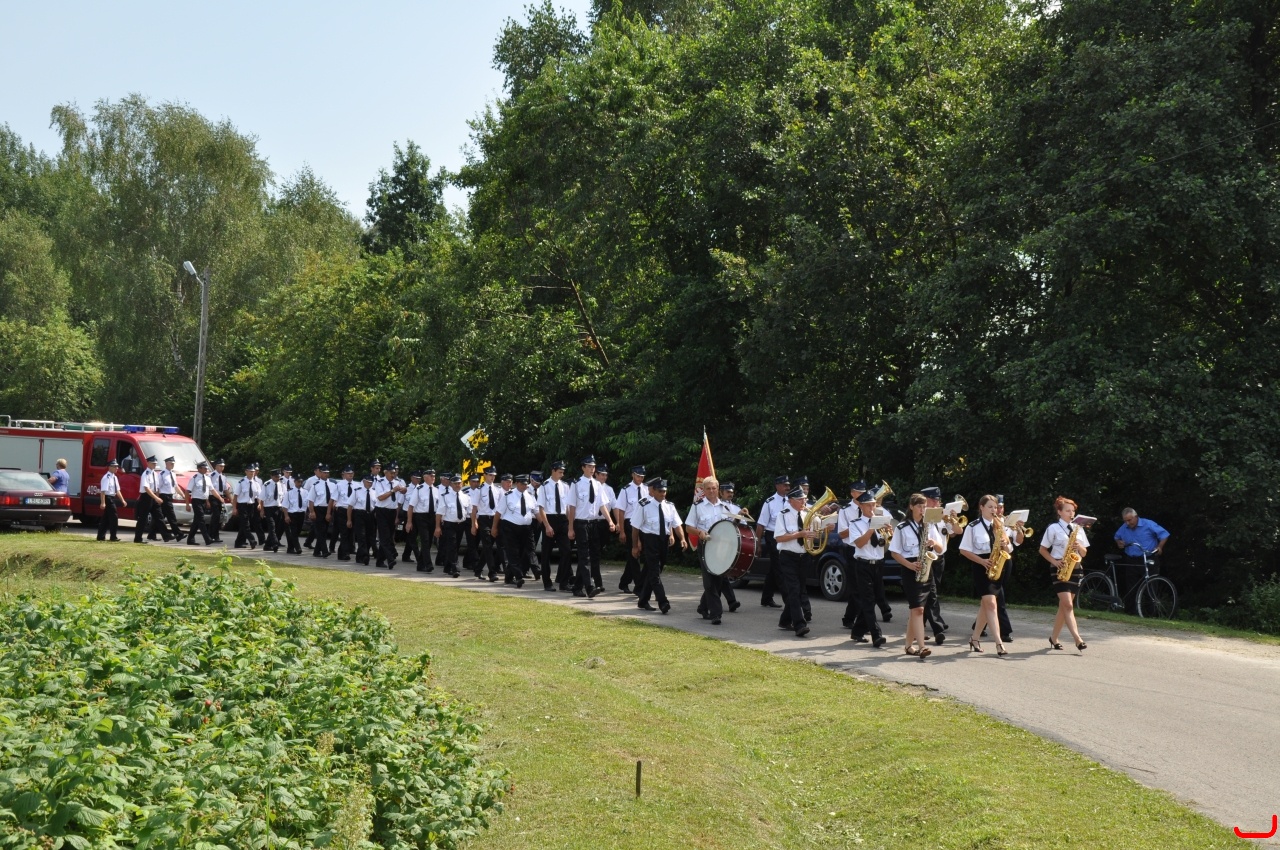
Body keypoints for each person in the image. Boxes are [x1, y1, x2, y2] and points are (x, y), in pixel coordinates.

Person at [889, 493, 945, 659]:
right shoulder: (902, 528)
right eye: (919, 506)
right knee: (918, 609)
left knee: (916, 610)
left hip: (927, 569)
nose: (922, 510)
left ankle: (908, 645)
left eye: (924, 506)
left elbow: (941, 549)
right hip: (910, 569)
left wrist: (934, 543)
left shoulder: (930, 525)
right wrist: (910, 565)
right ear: (911, 507)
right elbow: (894, 552)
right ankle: (922, 647)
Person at [684, 476, 740, 624]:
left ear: (718, 489)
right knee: (709, 581)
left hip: (722, 547)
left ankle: (703, 607)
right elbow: (688, 527)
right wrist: (699, 532)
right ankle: (716, 614)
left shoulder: (726, 507)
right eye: (708, 488)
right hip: (706, 545)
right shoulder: (698, 506)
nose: (711, 491)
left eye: (714, 488)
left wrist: (740, 516)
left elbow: (732, 526)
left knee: (718, 580)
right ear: (703, 490)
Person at [961, 495, 1012, 656]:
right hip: (981, 566)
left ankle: (975, 638)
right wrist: (982, 561)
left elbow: (1009, 549)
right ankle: (999, 643)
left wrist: (1005, 544)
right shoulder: (972, 527)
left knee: (986, 605)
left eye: (995, 507)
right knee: (991, 603)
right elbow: (964, 550)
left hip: (997, 565)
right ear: (981, 507)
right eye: (990, 507)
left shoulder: (1000, 525)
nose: (994, 510)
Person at [838, 490, 888, 648]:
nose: (872, 508)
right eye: (868, 506)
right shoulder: (855, 523)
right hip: (863, 564)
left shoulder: (880, 522)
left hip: (878, 564)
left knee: (874, 599)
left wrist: (889, 534)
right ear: (861, 506)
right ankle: (876, 635)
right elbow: (859, 543)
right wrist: (872, 528)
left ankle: (857, 631)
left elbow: (886, 545)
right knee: (868, 600)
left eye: (874, 505)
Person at [1039, 496, 1089, 652]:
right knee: (1067, 604)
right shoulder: (1053, 528)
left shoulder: (1078, 528)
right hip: (1059, 567)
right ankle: (1077, 639)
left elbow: (1084, 552)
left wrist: (1078, 546)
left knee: (1064, 606)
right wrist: (1054, 562)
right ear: (1059, 512)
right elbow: (1042, 550)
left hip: (1076, 567)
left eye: (1073, 511)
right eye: (1068, 511)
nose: (1071, 513)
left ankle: (1054, 638)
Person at [633, 478, 685, 615]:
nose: (663, 494)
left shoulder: (670, 506)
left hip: (664, 541)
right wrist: (635, 546)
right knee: (654, 572)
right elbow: (635, 527)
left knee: (655, 571)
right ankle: (663, 602)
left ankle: (643, 600)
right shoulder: (644, 505)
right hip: (650, 540)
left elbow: (676, 524)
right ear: (653, 491)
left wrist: (682, 539)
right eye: (660, 491)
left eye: (665, 491)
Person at [567, 456, 615, 598]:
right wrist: (570, 528)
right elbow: (572, 507)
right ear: (583, 467)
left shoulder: (597, 485)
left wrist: (610, 521)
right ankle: (589, 587)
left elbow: (602, 505)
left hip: (593, 523)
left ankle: (577, 587)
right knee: (584, 556)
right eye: (589, 466)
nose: (592, 469)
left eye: (593, 466)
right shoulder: (576, 484)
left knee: (593, 555)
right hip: (581, 523)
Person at [773, 486, 815, 638]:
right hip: (788, 556)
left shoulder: (807, 514)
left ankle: (785, 620)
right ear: (791, 501)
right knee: (794, 589)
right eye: (800, 499)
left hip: (803, 556)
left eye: (805, 499)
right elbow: (779, 538)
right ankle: (799, 625)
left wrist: (827, 527)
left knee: (798, 589)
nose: (804, 502)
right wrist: (799, 534)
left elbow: (815, 533)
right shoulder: (783, 515)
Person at [920, 485, 958, 643]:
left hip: (939, 558)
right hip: (927, 558)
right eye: (934, 500)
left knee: (929, 594)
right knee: (931, 594)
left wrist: (953, 518)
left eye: (938, 500)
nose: (937, 503)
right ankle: (937, 626)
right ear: (926, 500)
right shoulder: (921, 516)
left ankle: (918, 625)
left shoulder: (942, 516)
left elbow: (956, 532)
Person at [1114, 508, 1170, 609]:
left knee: (1151, 586)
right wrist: (1119, 543)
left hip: (1148, 558)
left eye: (1129, 520)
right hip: (1132, 559)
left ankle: (1151, 612)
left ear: (1136, 517)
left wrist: (1159, 547)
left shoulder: (1148, 524)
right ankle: (1130, 611)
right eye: (1125, 521)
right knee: (1131, 586)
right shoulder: (1124, 527)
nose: (1127, 523)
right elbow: (1117, 537)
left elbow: (1164, 534)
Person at [493, 473, 535, 586]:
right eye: (522, 484)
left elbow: (536, 512)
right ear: (517, 484)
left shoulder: (530, 496)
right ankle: (519, 576)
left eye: (526, 484)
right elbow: (498, 513)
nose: (525, 486)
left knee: (521, 553)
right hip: (510, 527)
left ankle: (508, 577)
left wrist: (546, 525)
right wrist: (494, 527)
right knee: (512, 553)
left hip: (525, 528)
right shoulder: (508, 496)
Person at [755, 475, 791, 608]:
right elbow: (761, 525)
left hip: (788, 536)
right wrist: (758, 544)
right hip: (773, 537)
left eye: (788, 485)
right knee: (780, 569)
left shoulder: (792, 500)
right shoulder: (769, 502)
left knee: (774, 569)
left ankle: (766, 598)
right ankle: (789, 601)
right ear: (777, 486)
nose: (787, 487)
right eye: (785, 485)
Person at [536, 461, 571, 590]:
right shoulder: (544, 486)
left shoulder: (565, 486)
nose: (562, 475)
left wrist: (570, 524)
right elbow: (541, 508)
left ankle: (564, 582)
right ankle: (547, 583)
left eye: (563, 472)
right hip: (549, 519)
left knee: (567, 551)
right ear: (553, 471)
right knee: (546, 553)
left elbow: (567, 507)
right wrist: (547, 526)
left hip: (562, 519)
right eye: (560, 472)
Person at [614, 464, 647, 593]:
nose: (640, 478)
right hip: (630, 524)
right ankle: (639, 586)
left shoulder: (646, 489)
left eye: (642, 476)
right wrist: (622, 531)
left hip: (643, 524)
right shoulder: (626, 490)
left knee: (637, 554)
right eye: (638, 476)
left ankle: (624, 582)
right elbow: (621, 511)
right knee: (634, 554)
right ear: (633, 475)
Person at [406, 469, 441, 573]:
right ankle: (428, 564)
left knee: (429, 542)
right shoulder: (419, 489)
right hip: (421, 517)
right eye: (431, 476)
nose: (433, 478)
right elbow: (411, 506)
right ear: (425, 478)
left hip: (432, 516)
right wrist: (409, 521)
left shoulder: (436, 490)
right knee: (425, 540)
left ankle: (420, 565)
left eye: (434, 476)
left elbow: (439, 507)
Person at [437, 473, 472, 578]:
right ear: (451, 484)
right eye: (455, 483)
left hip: (461, 524)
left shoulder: (466, 497)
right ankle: (455, 568)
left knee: (455, 546)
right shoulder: (445, 496)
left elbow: (470, 512)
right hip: (449, 524)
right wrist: (437, 527)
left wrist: (474, 523)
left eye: (459, 483)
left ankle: (447, 567)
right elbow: (439, 513)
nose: (457, 485)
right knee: (452, 545)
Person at [472, 467, 503, 582]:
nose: (492, 477)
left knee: (488, 547)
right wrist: (474, 523)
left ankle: (478, 569)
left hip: (495, 519)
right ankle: (492, 572)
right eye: (490, 475)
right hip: (484, 519)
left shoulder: (498, 490)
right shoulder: (479, 490)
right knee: (488, 545)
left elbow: (500, 507)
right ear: (484, 475)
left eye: (494, 475)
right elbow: (474, 509)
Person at [133, 456, 171, 543]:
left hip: (153, 497)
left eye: (155, 464)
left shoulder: (155, 474)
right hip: (146, 497)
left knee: (159, 516)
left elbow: (156, 488)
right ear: (148, 463)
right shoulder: (145, 474)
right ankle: (138, 538)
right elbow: (146, 488)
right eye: (153, 463)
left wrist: (157, 497)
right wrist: (156, 497)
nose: (155, 465)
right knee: (143, 518)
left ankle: (166, 536)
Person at [305, 464, 335, 558]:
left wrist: (329, 512)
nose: (326, 474)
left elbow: (333, 499)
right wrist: (312, 512)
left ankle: (316, 551)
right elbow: (311, 500)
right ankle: (325, 551)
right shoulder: (315, 485)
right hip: (318, 509)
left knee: (324, 531)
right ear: (320, 473)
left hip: (328, 509)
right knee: (320, 531)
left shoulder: (333, 485)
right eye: (324, 472)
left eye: (327, 473)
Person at [233, 463, 264, 550]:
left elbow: (259, 496)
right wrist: (234, 508)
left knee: (245, 524)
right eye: (250, 471)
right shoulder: (241, 483)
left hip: (251, 506)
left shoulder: (256, 484)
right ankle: (252, 540)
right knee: (246, 524)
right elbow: (235, 496)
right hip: (242, 505)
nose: (252, 473)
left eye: (253, 471)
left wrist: (259, 504)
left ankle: (238, 543)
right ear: (246, 472)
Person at [185, 461, 215, 546]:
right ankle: (207, 539)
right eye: (204, 468)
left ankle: (190, 539)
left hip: (203, 501)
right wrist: (187, 504)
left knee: (196, 521)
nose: (206, 470)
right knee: (201, 519)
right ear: (199, 469)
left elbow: (210, 491)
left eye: (206, 468)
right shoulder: (194, 478)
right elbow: (187, 491)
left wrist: (208, 501)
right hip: (196, 501)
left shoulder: (208, 478)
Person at [348, 473, 376, 564]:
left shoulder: (374, 492)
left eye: (371, 482)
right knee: (361, 536)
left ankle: (359, 557)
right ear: (363, 481)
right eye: (368, 482)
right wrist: (349, 519)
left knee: (369, 537)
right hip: (359, 514)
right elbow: (350, 506)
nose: (370, 484)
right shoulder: (357, 491)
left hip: (370, 515)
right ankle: (365, 556)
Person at [281, 468, 306, 555]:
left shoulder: (305, 492)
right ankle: (298, 548)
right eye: (298, 482)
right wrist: (286, 516)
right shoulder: (289, 492)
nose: (300, 483)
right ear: (295, 482)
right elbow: (285, 505)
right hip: (292, 514)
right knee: (294, 532)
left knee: (298, 531)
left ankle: (290, 548)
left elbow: (307, 504)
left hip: (301, 514)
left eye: (301, 482)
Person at [97, 459, 122, 542]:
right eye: (115, 466)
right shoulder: (106, 477)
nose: (117, 468)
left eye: (117, 466)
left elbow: (117, 490)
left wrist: (122, 500)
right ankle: (113, 536)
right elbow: (103, 491)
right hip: (108, 498)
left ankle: (100, 536)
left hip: (112, 498)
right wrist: (103, 503)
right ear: (110, 467)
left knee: (106, 518)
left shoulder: (114, 477)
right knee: (114, 517)